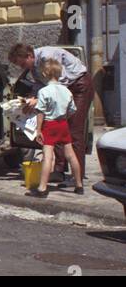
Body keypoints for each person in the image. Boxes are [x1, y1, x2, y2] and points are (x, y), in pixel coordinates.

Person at [8, 43, 93, 177]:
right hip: (62, 89)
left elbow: (60, 81)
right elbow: (40, 84)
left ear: (29, 56)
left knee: (74, 130)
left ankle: (78, 176)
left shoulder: (47, 57)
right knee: (56, 125)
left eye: (23, 64)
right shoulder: (34, 67)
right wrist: (30, 99)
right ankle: (59, 171)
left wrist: (40, 100)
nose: (22, 68)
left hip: (78, 86)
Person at [25, 58, 84, 198]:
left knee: (48, 156)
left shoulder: (44, 91)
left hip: (49, 125)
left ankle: (42, 188)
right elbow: (72, 109)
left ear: (44, 74)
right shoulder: (67, 91)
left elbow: (41, 112)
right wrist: (64, 118)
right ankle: (79, 185)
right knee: (71, 155)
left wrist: (38, 130)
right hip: (63, 124)